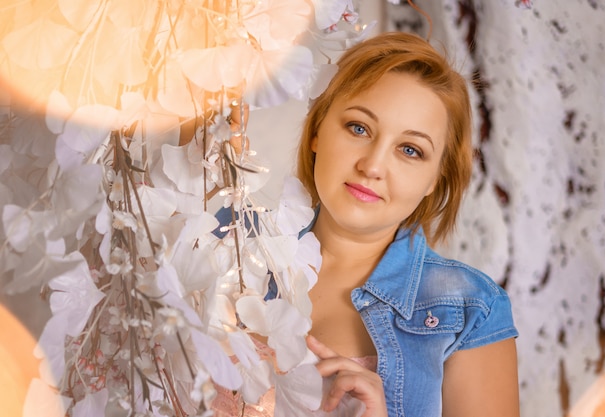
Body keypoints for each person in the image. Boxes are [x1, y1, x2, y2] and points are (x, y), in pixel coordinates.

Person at [214, 31, 520, 417]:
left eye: (410, 150)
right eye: (359, 128)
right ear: (317, 131)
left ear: (434, 181)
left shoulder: (470, 311)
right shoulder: (227, 257)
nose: (372, 166)